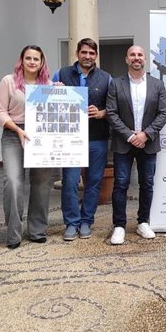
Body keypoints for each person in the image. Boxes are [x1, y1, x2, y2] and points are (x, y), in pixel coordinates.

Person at [106, 45, 166, 245]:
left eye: (140, 55)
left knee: (147, 183)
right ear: (127, 59)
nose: (136, 58)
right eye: (132, 55)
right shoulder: (116, 84)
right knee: (121, 184)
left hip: (147, 143)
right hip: (124, 143)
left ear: (144, 59)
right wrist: (129, 135)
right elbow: (111, 113)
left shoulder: (157, 84)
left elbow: (163, 113)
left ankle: (143, 222)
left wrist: (145, 134)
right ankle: (119, 226)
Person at [0, 45, 54, 249]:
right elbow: (0, 112)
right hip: (13, 134)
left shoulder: (47, 84)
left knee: (42, 181)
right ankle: (13, 235)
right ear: (22, 60)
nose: (32, 62)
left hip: (41, 134)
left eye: (36, 59)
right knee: (12, 181)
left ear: (41, 62)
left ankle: (37, 231)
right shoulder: (8, 82)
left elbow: (56, 107)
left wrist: (61, 91)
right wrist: (18, 130)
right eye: (28, 58)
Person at [54, 38, 112, 241]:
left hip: (97, 138)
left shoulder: (106, 78)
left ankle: (87, 220)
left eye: (92, 53)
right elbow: (47, 100)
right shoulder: (61, 74)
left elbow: (113, 108)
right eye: (84, 52)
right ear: (77, 53)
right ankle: (71, 223)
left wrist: (102, 113)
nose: (88, 56)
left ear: (96, 56)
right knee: (70, 181)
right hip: (70, 139)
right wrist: (54, 89)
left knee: (94, 182)